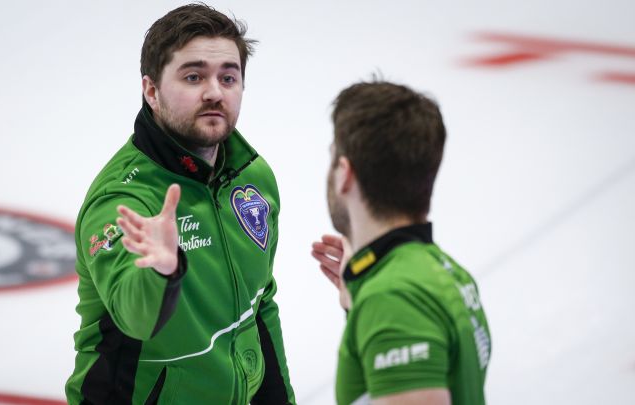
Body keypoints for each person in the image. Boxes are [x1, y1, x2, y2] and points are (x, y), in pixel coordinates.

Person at [66, 4, 296, 404]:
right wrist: (161, 271)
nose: (214, 92)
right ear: (151, 91)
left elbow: (260, 307)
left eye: (229, 77)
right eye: (193, 77)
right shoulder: (124, 201)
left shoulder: (253, 179)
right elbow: (135, 317)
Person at [311, 81, 491, 405]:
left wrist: (378, 300)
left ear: (344, 174)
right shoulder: (444, 270)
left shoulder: (393, 297)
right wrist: (357, 297)